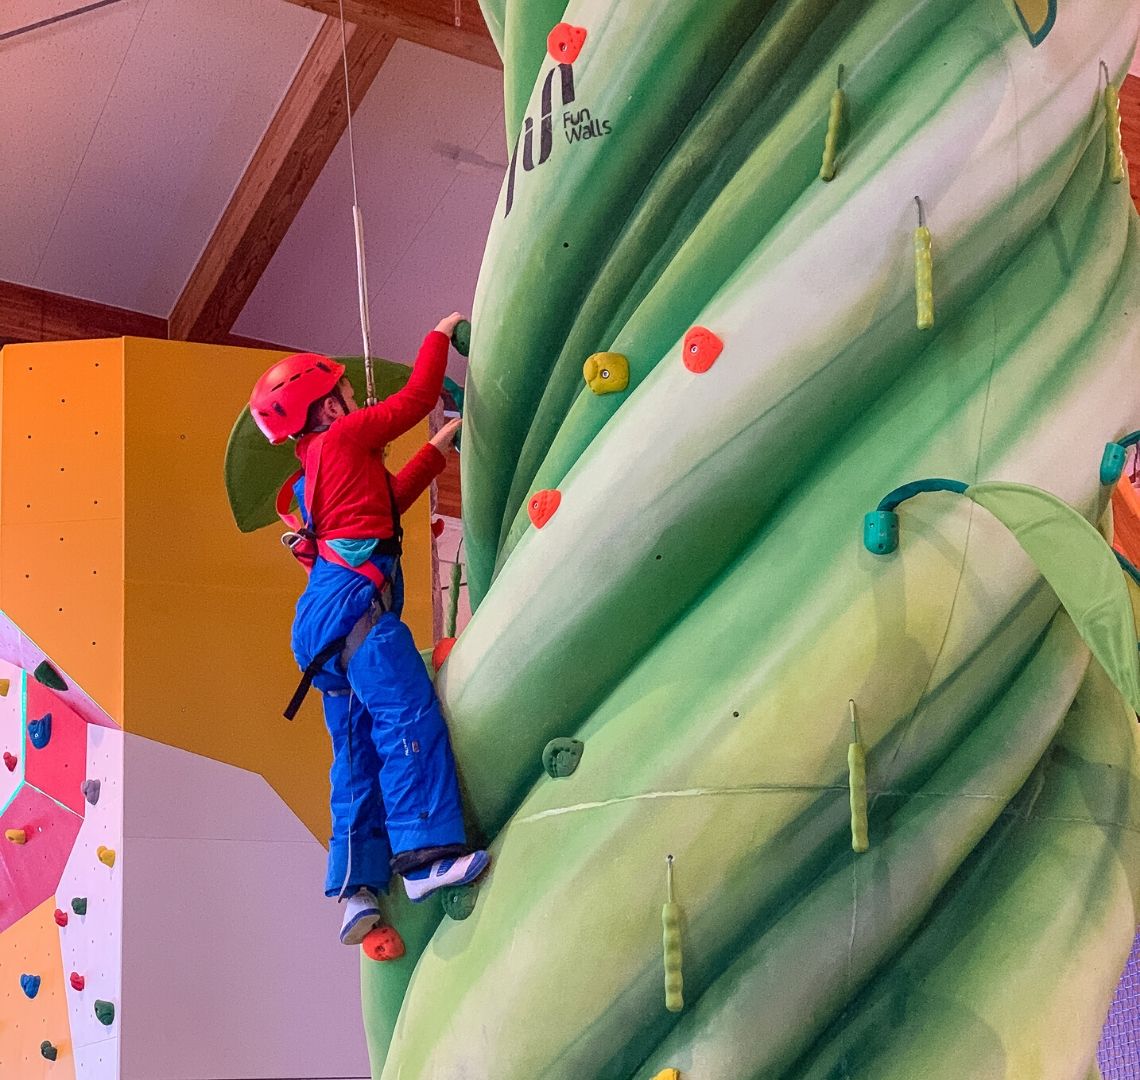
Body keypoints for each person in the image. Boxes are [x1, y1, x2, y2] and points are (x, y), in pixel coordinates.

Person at [249, 312, 488, 946]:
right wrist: (439, 334)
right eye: (348, 394)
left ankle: (355, 890)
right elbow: (414, 400)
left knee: (352, 756)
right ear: (325, 409)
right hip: (363, 621)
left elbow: (386, 508)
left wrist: (434, 457)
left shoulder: (313, 477)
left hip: (324, 629)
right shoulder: (347, 438)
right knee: (408, 720)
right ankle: (427, 858)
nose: (357, 399)